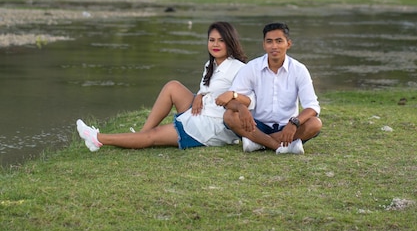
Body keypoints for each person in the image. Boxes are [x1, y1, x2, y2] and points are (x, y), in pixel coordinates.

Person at [76, 21, 252, 152]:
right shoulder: (211, 64)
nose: (215, 44)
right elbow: (209, 88)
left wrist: (233, 95)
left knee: (153, 137)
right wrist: (199, 94)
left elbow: (250, 101)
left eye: (221, 40)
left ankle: (97, 138)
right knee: (172, 86)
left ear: (230, 43)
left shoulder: (239, 68)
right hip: (201, 110)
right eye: (212, 40)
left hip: (212, 125)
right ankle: (140, 134)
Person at [224, 22, 322, 155]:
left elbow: (312, 107)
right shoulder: (252, 67)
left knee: (315, 123)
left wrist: (294, 123)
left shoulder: (299, 70)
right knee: (230, 115)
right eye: (269, 41)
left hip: (287, 127)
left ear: (288, 44)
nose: (274, 46)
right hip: (256, 126)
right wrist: (241, 108)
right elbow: (230, 100)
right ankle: (281, 146)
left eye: (279, 41)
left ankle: (257, 143)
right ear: (264, 45)